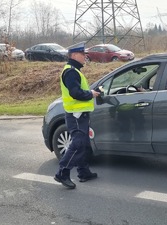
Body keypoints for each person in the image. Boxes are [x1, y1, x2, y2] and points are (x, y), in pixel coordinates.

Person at [54, 41, 100, 189]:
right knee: (78, 144)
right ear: (73, 55)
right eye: (82, 54)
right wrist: (90, 93)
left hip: (79, 114)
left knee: (83, 144)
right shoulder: (71, 71)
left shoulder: (74, 70)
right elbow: (75, 93)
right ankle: (62, 172)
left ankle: (83, 172)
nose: (85, 57)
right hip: (76, 115)